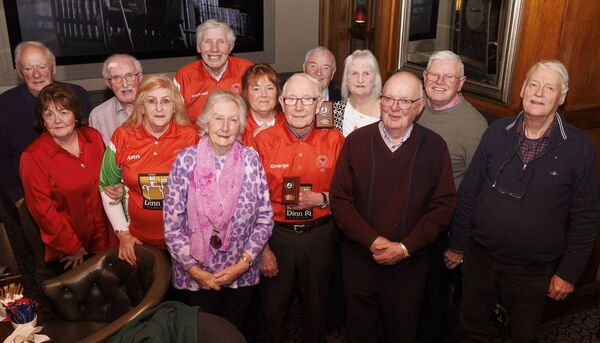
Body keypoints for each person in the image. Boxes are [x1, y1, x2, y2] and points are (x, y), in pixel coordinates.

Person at [445, 60, 599, 342]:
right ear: (522, 90)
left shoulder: (579, 148)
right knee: (471, 330)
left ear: (562, 97)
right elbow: (469, 192)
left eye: (549, 87)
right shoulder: (497, 132)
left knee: (522, 336)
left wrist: (569, 272)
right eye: (533, 84)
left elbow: (586, 218)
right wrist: (457, 244)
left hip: (532, 271)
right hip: (480, 258)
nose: (538, 92)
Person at [329, 71, 457, 343]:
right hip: (360, 260)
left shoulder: (435, 147)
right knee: (359, 332)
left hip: (408, 265)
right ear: (380, 101)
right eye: (388, 98)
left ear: (419, 107)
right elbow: (340, 200)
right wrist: (372, 240)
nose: (395, 107)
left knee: (403, 332)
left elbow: (443, 207)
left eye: (404, 101)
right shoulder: (356, 142)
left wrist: (405, 247)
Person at [164, 90, 273, 330]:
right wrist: (195, 271)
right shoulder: (185, 161)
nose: (225, 127)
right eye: (218, 118)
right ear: (205, 122)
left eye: (233, 120)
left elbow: (265, 219)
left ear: (240, 125)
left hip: (240, 273)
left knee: (234, 331)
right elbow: (172, 226)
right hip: (194, 275)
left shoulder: (251, 160)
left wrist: (243, 264)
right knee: (201, 334)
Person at [254, 73, 344, 343]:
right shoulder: (263, 141)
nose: (299, 106)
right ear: (281, 102)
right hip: (276, 236)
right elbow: (251, 200)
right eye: (292, 98)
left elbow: (349, 194)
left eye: (307, 99)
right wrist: (262, 249)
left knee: (317, 307)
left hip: (320, 235)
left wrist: (323, 199)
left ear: (319, 103)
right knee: (272, 309)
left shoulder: (336, 140)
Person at [0, 41, 92, 285]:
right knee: (47, 261)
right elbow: (1, 156)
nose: (36, 74)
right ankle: (53, 309)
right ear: (19, 72)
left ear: (53, 67)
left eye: (41, 67)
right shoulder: (4, 106)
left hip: (78, 192)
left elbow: (89, 140)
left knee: (88, 252)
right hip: (33, 199)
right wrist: (18, 198)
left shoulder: (77, 95)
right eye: (28, 69)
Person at [416, 50, 488, 342]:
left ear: (461, 82)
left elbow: (476, 193)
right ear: (424, 77)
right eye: (434, 74)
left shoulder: (474, 126)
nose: (440, 81)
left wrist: (459, 244)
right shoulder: (413, 106)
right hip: (405, 221)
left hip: (441, 230)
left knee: (433, 300)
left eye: (449, 76)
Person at [99, 75, 199, 265]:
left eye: (166, 101)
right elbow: (107, 187)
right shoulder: (123, 136)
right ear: (142, 106)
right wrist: (123, 234)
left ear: (175, 105)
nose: (159, 108)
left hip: (185, 240)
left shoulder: (190, 136)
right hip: (138, 242)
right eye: (151, 101)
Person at [20, 83, 115, 274]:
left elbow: (109, 179)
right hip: (71, 253)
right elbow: (42, 210)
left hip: (107, 240)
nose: (57, 120)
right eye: (49, 114)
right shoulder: (33, 157)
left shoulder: (94, 137)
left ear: (75, 114)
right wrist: (71, 246)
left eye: (63, 112)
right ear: (43, 121)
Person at [175, 19, 253, 122]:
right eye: (208, 41)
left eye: (221, 42)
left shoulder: (249, 71)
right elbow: (175, 121)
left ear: (230, 47)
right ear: (198, 47)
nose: (214, 49)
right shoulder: (184, 77)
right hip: (196, 137)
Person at [89, 54, 144, 145]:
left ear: (140, 77)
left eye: (129, 76)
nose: (125, 84)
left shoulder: (158, 108)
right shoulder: (98, 116)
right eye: (116, 78)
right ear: (108, 83)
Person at [332, 49, 382, 136]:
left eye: (366, 73)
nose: (360, 79)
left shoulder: (387, 112)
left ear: (375, 80)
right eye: (354, 73)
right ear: (346, 80)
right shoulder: (335, 110)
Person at [240, 63, 284, 146]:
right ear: (246, 93)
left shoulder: (289, 122)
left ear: (277, 92)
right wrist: (252, 139)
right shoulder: (237, 126)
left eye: (269, 88)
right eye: (256, 89)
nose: (264, 94)